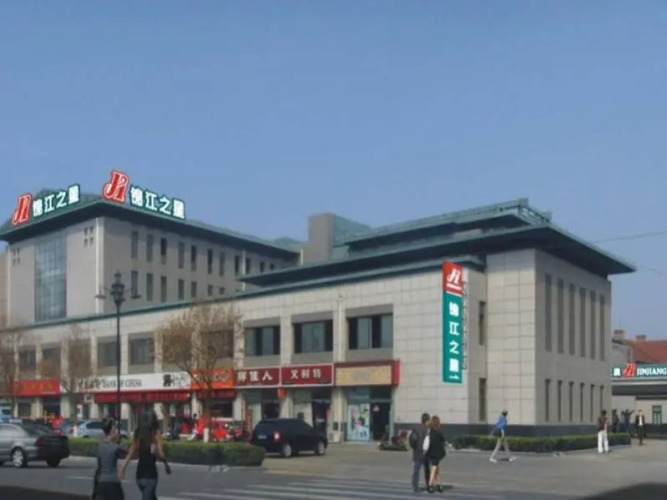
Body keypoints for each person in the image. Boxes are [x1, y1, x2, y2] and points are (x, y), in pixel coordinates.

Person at [120, 410, 171, 500]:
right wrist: (166, 464)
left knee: (150, 496)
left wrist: (122, 468)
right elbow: (161, 455)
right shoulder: (155, 435)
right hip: (151, 476)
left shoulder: (138, 434)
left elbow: (131, 453)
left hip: (139, 476)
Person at [93, 418, 127, 500]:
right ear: (112, 431)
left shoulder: (99, 447)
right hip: (113, 483)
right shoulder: (116, 447)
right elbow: (127, 454)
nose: (116, 434)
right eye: (115, 431)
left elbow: (99, 468)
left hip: (101, 483)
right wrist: (119, 442)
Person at [422, 415, 446, 493]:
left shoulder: (430, 431)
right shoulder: (439, 432)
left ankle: (439, 485)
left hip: (430, 452)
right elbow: (443, 441)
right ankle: (430, 485)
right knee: (434, 468)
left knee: (435, 469)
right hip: (437, 453)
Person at [409, 412, 431, 493]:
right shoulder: (427, 429)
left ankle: (415, 486)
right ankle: (428, 485)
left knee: (416, 471)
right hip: (425, 452)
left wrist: (414, 447)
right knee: (427, 470)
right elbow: (429, 441)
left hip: (417, 452)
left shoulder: (416, 428)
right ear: (427, 420)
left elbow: (411, 440)